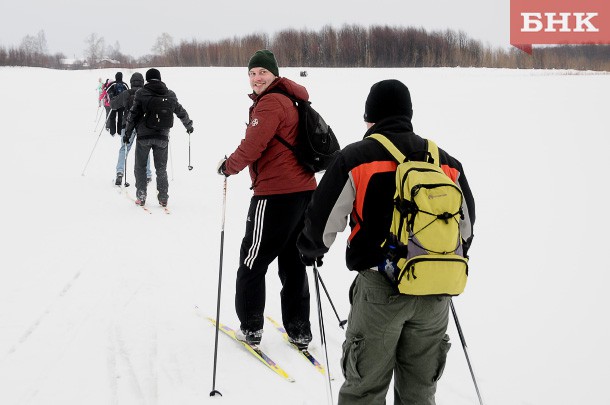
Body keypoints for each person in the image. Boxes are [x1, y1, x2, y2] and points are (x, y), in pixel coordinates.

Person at [296, 79, 476, 404]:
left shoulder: (355, 158)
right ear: (408, 114)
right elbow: (466, 230)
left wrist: (311, 250)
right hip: (435, 290)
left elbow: (323, 221)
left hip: (381, 291)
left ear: (370, 117)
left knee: (364, 390)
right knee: (420, 392)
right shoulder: (446, 162)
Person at [216, 49, 315, 349]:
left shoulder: (271, 103)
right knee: (293, 261)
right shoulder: (290, 99)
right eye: (252, 73)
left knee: (252, 261)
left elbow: (253, 146)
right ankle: (299, 329)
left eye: (262, 72)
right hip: (303, 192)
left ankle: (251, 327)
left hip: (275, 194)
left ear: (274, 75)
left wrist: (228, 166)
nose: (257, 78)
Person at [124, 68, 193, 207]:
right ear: (159, 78)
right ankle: (163, 197)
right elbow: (181, 111)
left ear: (147, 79)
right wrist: (188, 125)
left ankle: (141, 195)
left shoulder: (141, 93)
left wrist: (127, 133)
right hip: (162, 137)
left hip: (144, 136)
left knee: (140, 166)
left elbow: (133, 115)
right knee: (161, 168)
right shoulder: (170, 94)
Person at [109, 72, 151, 186]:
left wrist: (112, 97)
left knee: (124, 148)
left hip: (127, 125)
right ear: (142, 82)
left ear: (131, 82)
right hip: (144, 126)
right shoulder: (147, 93)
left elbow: (113, 105)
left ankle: (120, 172)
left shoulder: (126, 93)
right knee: (145, 149)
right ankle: (147, 174)